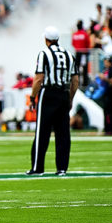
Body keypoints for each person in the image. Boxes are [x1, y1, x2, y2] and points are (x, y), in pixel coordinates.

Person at [27, 26, 79, 176]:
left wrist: (32, 97)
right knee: (63, 133)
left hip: (48, 93)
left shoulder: (44, 54)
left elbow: (39, 79)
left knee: (42, 132)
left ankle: (37, 168)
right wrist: (69, 98)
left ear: (46, 39)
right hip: (63, 93)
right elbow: (75, 80)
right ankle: (62, 168)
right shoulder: (69, 54)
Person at [98, 56, 112, 135]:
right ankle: (109, 129)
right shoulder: (107, 70)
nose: (104, 63)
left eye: (106, 62)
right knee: (108, 112)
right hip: (108, 93)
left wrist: (104, 78)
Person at [71, 20, 90, 86]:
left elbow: (73, 44)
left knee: (77, 68)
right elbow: (88, 43)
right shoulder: (85, 34)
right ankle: (85, 83)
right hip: (84, 53)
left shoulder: (75, 34)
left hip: (77, 53)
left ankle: (77, 83)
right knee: (84, 68)